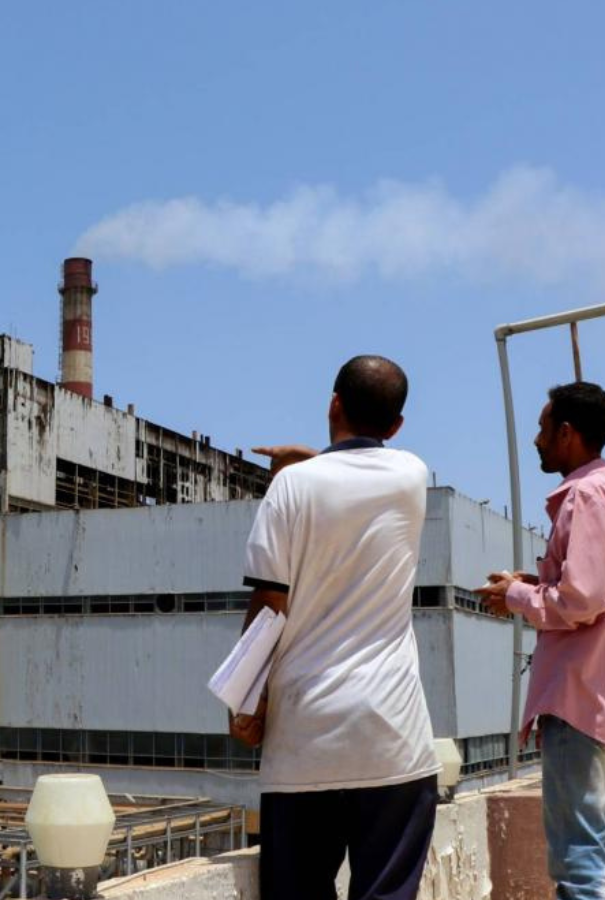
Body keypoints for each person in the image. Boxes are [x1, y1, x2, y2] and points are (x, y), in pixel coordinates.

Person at [232, 355, 439, 900]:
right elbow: (359, 474)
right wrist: (310, 461)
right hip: (394, 740)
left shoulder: (290, 489)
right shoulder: (413, 477)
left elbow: (269, 604)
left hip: (305, 742)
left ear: (333, 404)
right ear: (395, 427)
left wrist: (245, 699)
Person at [475, 381, 605, 900]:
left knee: (579, 866)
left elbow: (582, 600)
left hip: (579, 700)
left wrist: (516, 597)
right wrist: (532, 587)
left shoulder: (587, 495)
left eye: (543, 428)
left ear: (568, 433)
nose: (537, 439)